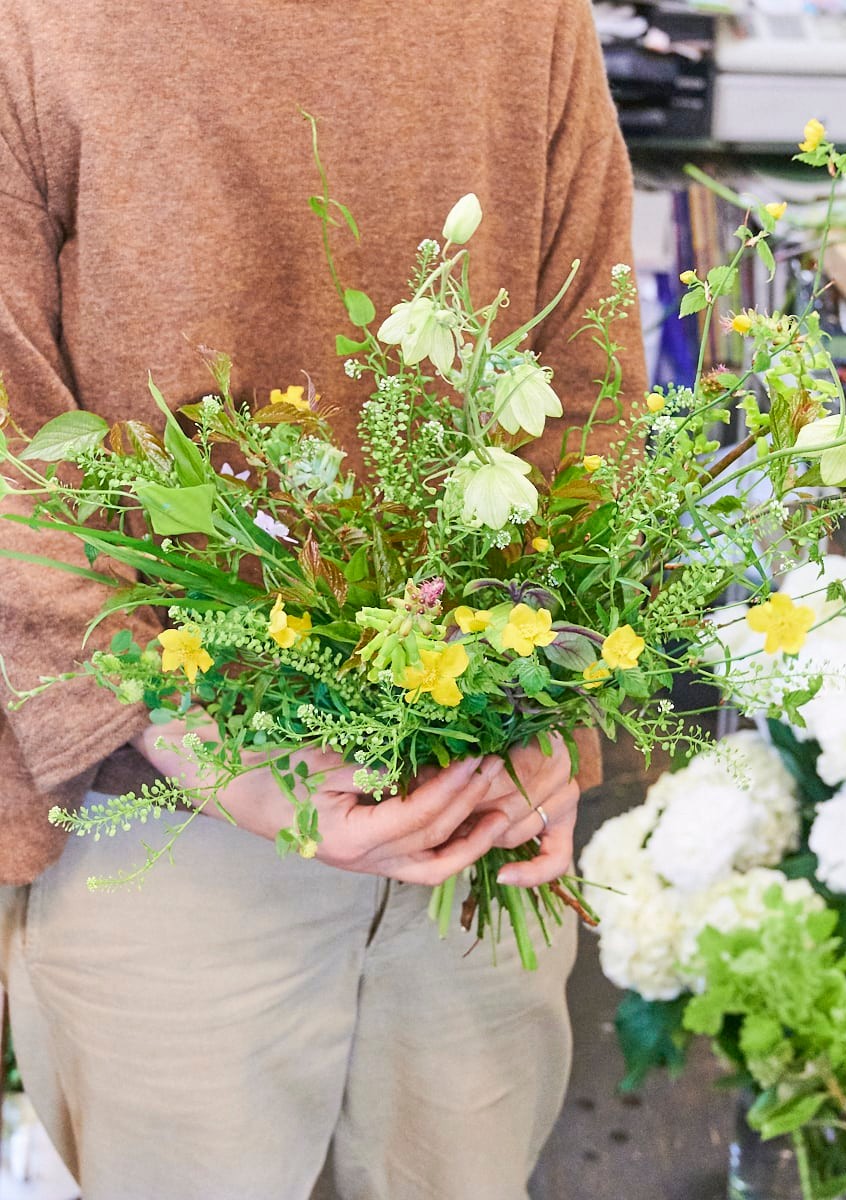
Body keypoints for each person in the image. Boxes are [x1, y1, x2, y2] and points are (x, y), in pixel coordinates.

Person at [0, 2, 646, 1197]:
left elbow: (592, 389)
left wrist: (556, 698)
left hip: (478, 800)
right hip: (169, 822)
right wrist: (209, 749)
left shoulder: (529, 22)